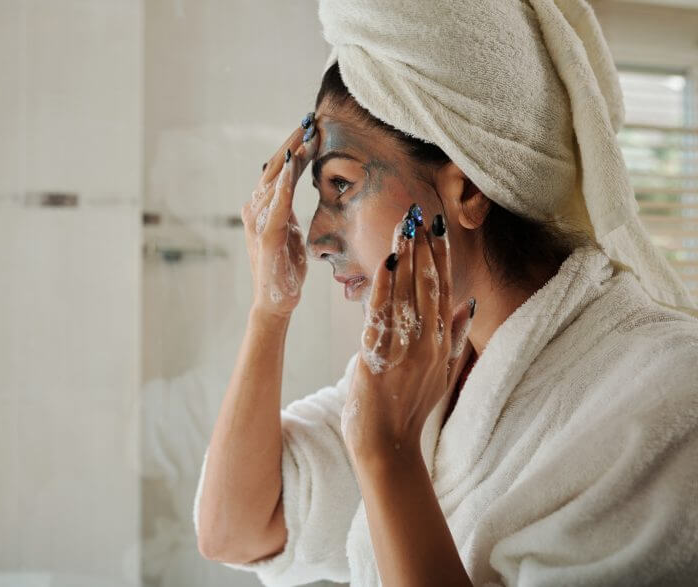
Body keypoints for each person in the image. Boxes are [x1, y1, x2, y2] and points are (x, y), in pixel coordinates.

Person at [193, 1, 698, 585]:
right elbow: (235, 529)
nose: (318, 235)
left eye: (341, 185)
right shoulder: (434, 375)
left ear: (466, 192)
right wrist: (269, 310)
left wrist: (390, 456)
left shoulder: (665, 400)